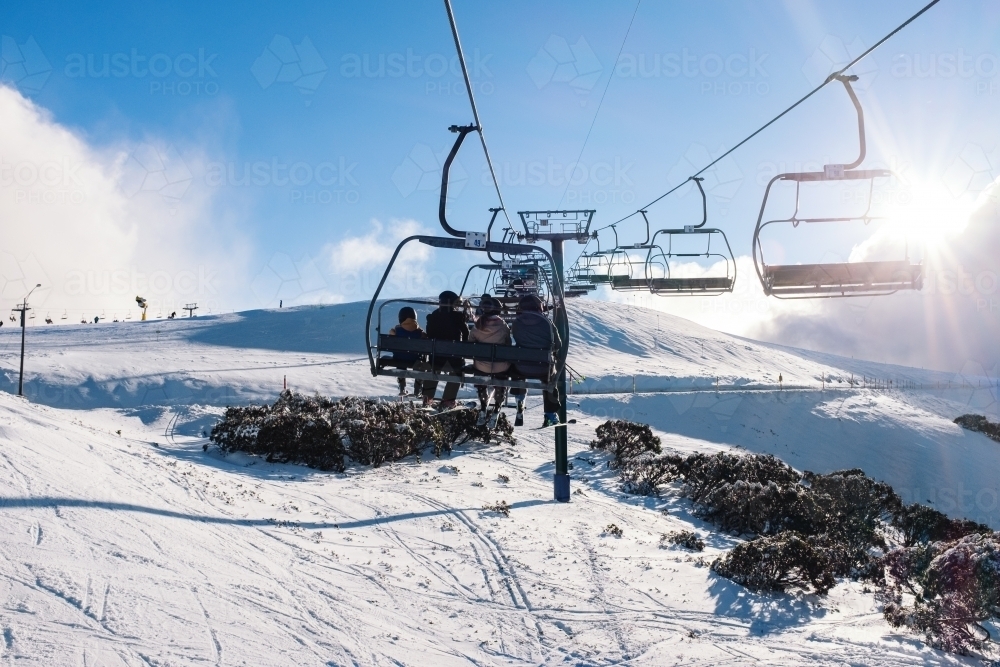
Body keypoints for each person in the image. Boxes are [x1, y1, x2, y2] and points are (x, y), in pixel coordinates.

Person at [510, 294, 561, 427]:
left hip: (521, 366)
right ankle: (550, 415)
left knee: (517, 373)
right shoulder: (547, 322)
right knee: (550, 381)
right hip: (543, 367)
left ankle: (520, 400)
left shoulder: (517, 322)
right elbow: (558, 344)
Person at [421, 290, 469, 409]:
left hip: (436, 357)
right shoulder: (457, 316)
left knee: (433, 370)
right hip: (454, 358)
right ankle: (448, 400)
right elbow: (466, 332)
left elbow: (430, 334)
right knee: (456, 372)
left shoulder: (433, 316)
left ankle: (427, 399)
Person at [468, 295, 511, 416]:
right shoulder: (503, 326)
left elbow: (470, 343)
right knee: (503, 370)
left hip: (481, 366)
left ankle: (483, 402)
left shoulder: (478, 325)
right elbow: (508, 344)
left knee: (480, 370)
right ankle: (498, 403)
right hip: (500, 367)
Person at [388, 306, 425, 396]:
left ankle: (402, 388)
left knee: (400, 362)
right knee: (420, 365)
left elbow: (391, 339)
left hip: (399, 359)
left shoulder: (396, 330)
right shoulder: (420, 332)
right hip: (415, 360)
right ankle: (417, 390)